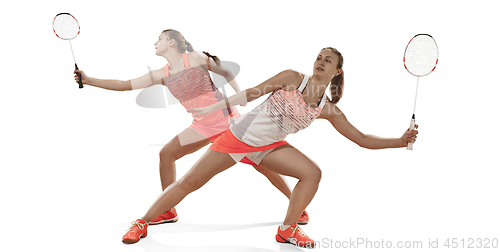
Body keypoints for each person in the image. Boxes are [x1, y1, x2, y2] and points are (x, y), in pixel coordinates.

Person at [121, 46, 419, 248]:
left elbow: (362, 139)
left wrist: (399, 140)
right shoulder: (292, 78)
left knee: (312, 173)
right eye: (319, 56)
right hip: (239, 137)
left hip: (270, 146)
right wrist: (223, 105)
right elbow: (252, 92)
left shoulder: (328, 109)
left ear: (337, 71)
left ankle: (287, 229)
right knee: (190, 182)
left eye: (328, 60)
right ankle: (143, 221)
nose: (321, 61)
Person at [74, 29, 309, 226]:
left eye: (160, 39)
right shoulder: (162, 74)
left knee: (262, 165)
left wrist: (239, 95)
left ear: (172, 41)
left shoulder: (194, 58)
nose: (155, 43)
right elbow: (125, 85)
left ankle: (297, 207)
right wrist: (88, 79)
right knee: (167, 154)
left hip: (229, 124)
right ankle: (167, 210)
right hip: (202, 126)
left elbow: (225, 71)